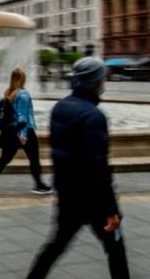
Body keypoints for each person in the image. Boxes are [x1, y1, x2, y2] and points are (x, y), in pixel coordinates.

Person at [27, 57, 130, 279]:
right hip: (94, 200)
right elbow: (98, 166)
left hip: (67, 194)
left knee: (56, 244)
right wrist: (111, 209)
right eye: (103, 79)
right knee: (115, 247)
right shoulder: (94, 116)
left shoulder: (60, 108)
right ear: (97, 82)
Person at [0, 67, 52, 198]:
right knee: (34, 159)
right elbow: (22, 116)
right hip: (24, 131)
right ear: (23, 79)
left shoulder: (9, 92)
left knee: (5, 159)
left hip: (10, 132)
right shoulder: (23, 94)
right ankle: (39, 185)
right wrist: (23, 135)